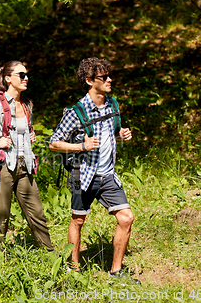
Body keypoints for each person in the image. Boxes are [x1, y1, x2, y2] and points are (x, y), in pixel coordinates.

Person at [49, 57, 138, 282]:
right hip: (83, 174)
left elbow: (112, 131)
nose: (110, 79)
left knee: (126, 218)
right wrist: (81, 146)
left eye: (109, 75)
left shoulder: (113, 105)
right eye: (103, 77)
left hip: (107, 174)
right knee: (78, 220)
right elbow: (53, 143)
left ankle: (116, 272)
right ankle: (74, 268)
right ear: (89, 81)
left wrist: (122, 134)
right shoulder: (75, 111)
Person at [0, 60, 53, 251]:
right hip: (3, 167)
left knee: (37, 213)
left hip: (25, 167)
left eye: (27, 75)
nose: (26, 78)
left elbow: (23, 130)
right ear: (8, 79)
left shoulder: (26, 104)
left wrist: (30, 134)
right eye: (21, 75)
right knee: (1, 216)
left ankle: (51, 256)